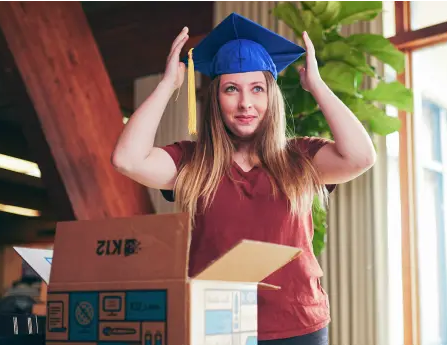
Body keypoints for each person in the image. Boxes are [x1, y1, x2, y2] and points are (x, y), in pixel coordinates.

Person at [111, 12, 376, 346]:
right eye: (231, 89)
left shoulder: (300, 158)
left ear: (271, 96)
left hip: (297, 326)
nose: (245, 103)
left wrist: (318, 87)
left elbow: (361, 157)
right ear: (215, 100)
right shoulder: (195, 162)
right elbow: (127, 159)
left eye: (257, 89)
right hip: (219, 325)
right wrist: (167, 85)